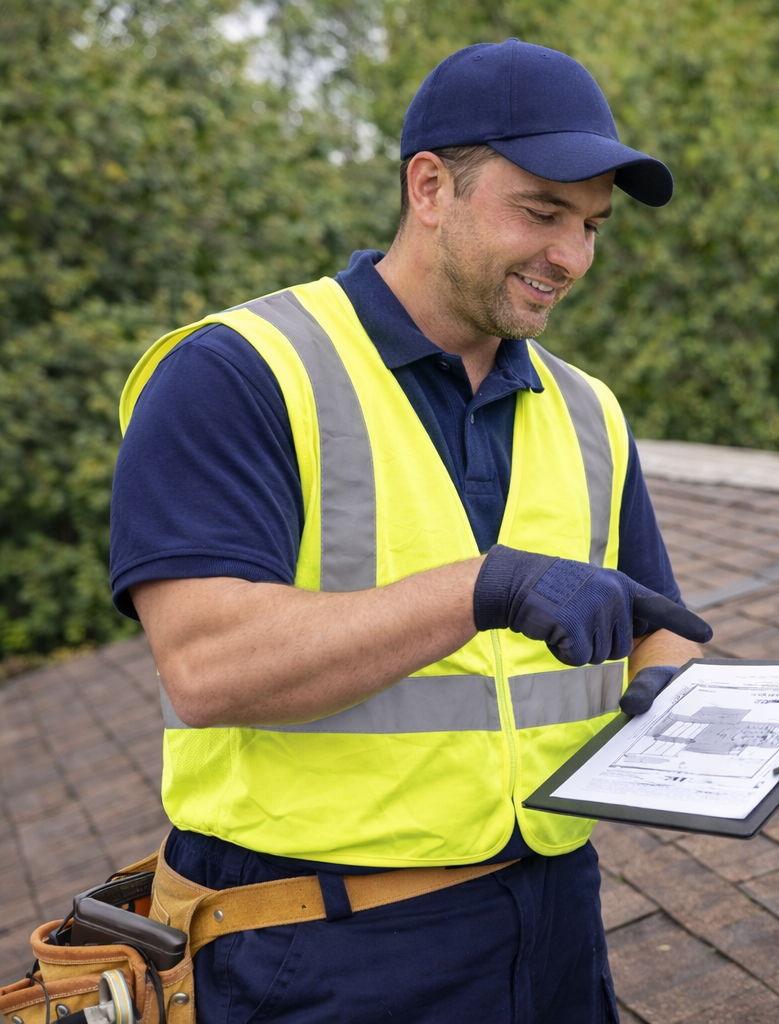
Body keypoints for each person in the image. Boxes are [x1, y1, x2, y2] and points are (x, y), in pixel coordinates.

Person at [109, 39, 710, 1023]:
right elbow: (207, 667)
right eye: (542, 213)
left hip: (556, 920)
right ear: (429, 187)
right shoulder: (238, 372)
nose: (572, 258)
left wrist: (666, 689)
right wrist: (481, 589)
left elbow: (659, 621)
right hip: (319, 945)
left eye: (592, 226)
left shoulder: (588, 409)